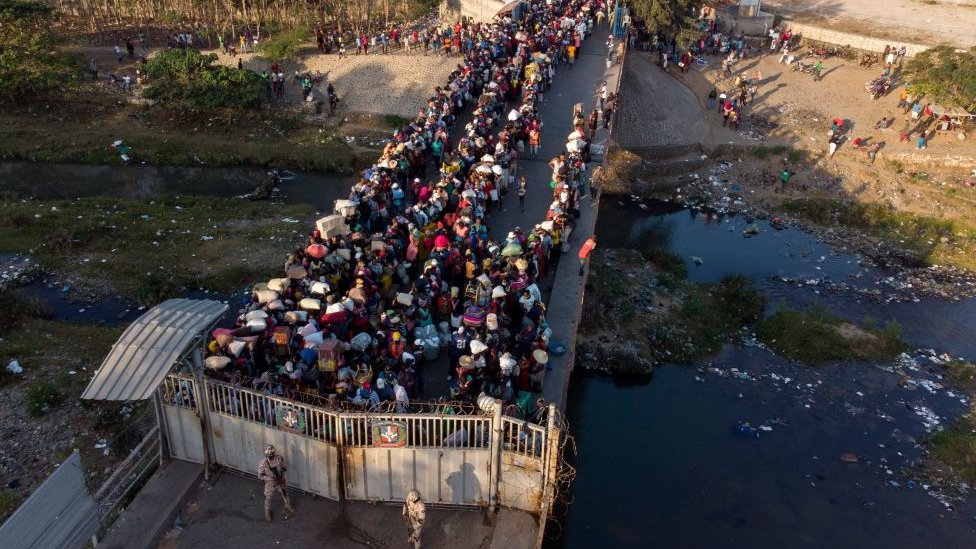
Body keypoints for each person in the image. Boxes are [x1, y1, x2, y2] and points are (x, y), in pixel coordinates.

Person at [258, 444, 293, 521]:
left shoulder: (279, 458)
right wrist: (270, 478)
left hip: (280, 480)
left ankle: (287, 504)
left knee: (285, 493)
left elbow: (284, 468)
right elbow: (260, 475)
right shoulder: (263, 463)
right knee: (268, 498)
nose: (271, 455)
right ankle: (267, 512)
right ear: (266, 454)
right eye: (269, 454)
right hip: (270, 484)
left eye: (272, 453)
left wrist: (282, 477)